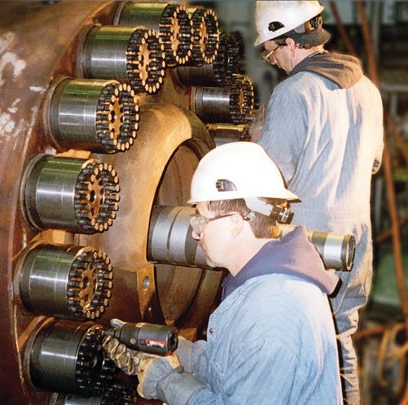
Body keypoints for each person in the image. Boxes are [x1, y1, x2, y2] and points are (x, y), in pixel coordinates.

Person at [103, 142, 343, 404]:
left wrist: (166, 382)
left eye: (201, 220)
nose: (195, 232)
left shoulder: (273, 313)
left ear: (234, 224)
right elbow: (234, 367)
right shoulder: (259, 285)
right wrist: (171, 348)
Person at [252, 2, 384, 404]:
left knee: (297, 348)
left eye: (272, 51)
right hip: (355, 243)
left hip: (307, 246)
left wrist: (256, 140)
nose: (273, 60)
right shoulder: (367, 90)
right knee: (339, 338)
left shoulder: (295, 92)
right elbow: (373, 161)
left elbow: (270, 180)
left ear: (290, 41)